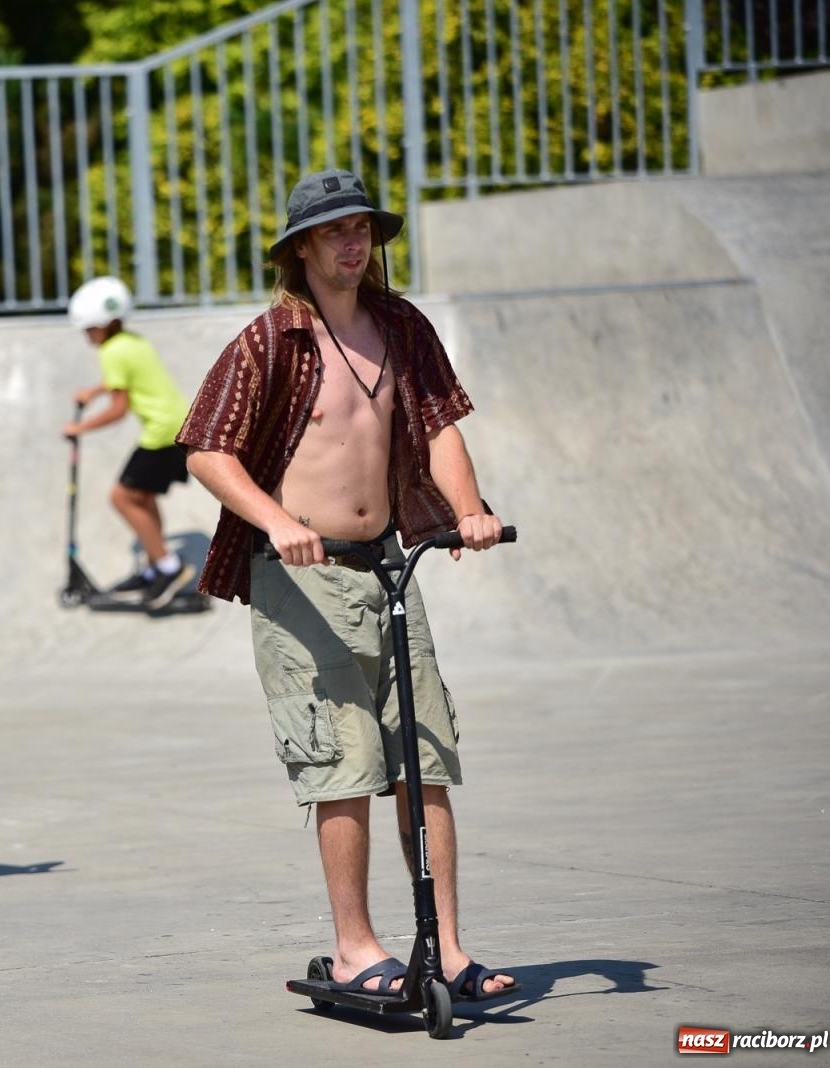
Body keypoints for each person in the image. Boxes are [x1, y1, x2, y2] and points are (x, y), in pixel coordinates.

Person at [177, 169, 517, 1002]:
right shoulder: (269, 342)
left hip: (389, 564)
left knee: (424, 757)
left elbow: (438, 428)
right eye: (334, 231)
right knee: (344, 761)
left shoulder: (401, 326)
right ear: (301, 247)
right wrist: (275, 521)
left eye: (361, 227)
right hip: (303, 577)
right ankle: (356, 947)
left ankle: (448, 949)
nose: (353, 243)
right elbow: (206, 450)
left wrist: (468, 510)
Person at [62, 276, 196, 610]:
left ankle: (169, 567)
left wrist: (79, 427)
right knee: (142, 497)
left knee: (121, 497)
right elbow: (124, 379)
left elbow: (118, 410)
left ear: (103, 325)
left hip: (161, 433)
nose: (87, 336)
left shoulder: (110, 352)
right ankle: (154, 568)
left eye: (88, 329)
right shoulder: (132, 341)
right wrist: (94, 391)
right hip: (179, 426)